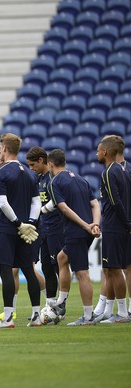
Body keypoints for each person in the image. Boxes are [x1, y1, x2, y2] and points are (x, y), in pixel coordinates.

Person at [0, 133, 42, 328]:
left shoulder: (1, 172)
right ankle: (36, 315)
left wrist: (18, 223)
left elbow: (2, 203)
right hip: (26, 229)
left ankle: (8, 317)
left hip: (7, 228)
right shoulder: (30, 173)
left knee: (6, 271)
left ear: (4, 149)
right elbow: (36, 202)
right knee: (28, 270)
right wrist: (29, 223)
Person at [45, 149, 101, 325]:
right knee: (62, 258)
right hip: (86, 230)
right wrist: (95, 224)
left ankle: (88, 316)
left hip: (76, 231)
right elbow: (94, 204)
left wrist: (85, 225)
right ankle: (61, 302)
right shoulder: (80, 178)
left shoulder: (54, 182)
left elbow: (63, 208)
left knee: (82, 273)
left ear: (50, 164)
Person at [94, 137, 131, 323]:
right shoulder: (123, 171)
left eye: (99, 150)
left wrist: (126, 223)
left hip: (114, 227)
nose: (97, 154)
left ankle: (123, 313)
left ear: (106, 152)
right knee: (112, 268)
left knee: (115, 269)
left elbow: (116, 201)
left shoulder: (108, 172)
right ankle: (113, 311)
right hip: (120, 227)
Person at [26, 147, 63, 309]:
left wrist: (42, 210)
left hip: (57, 228)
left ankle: (62, 302)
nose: (31, 168)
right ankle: (51, 304)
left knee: (58, 267)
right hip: (44, 229)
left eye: (33, 164)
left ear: (42, 161)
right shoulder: (39, 178)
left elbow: (58, 202)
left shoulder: (53, 178)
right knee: (46, 267)